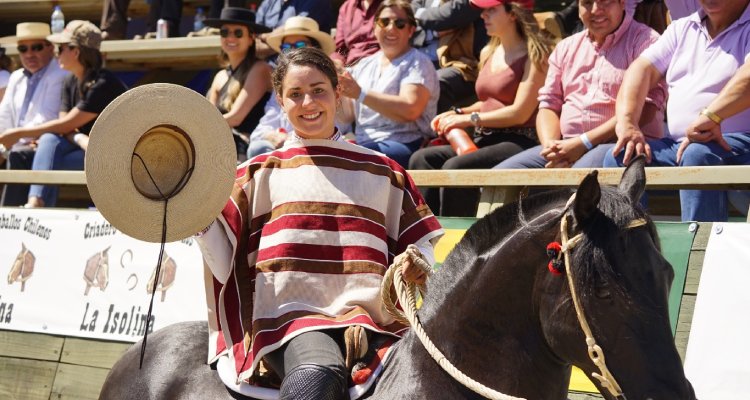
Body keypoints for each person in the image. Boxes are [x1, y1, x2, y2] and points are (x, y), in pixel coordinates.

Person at [195, 47, 443, 399]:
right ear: (280, 101)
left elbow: (418, 247)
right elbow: (226, 264)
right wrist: (199, 221)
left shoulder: (385, 170)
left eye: (318, 90)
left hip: (376, 323)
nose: (308, 102)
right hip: (290, 323)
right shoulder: (255, 172)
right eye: (295, 94)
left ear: (338, 92)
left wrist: (416, 262)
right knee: (318, 374)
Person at [604, 0, 750, 222]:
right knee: (622, 156)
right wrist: (627, 123)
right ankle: (628, 247)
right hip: (681, 145)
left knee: (698, 153)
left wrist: (711, 116)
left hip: (739, 143)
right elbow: (641, 70)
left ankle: (699, 251)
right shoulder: (681, 28)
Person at [408, 0, 551, 217]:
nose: (483, 15)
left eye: (491, 10)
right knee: (421, 159)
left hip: (520, 140)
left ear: (513, 14)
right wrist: (458, 113)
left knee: (456, 168)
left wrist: (468, 120)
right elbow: (487, 102)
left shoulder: (535, 55)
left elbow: (519, 112)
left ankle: (458, 239)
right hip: (486, 137)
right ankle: (426, 233)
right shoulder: (488, 52)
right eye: (483, 10)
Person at [495, 0, 666, 170]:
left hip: (618, 145)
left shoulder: (647, 42)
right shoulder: (565, 48)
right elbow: (548, 105)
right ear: (577, 8)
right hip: (567, 146)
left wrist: (582, 143)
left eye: (605, 2)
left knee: (581, 176)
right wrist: (552, 148)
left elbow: (646, 108)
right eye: (587, 3)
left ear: (622, 3)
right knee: (499, 177)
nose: (596, 10)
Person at [0, 21, 128, 208]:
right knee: (46, 143)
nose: (56, 53)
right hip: (89, 151)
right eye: (23, 48)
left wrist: (19, 133)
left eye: (60, 48)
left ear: (76, 51)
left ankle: (36, 208)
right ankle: (33, 206)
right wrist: (82, 139)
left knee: (45, 150)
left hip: (117, 158)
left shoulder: (103, 82)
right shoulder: (70, 80)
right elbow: (64, 125)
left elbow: (66, 125)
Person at [337, 0, 439, 168]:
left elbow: (410, 109)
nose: (391, 28)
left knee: (355, 159)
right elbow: (346, 116)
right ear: (374, 27)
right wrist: (335, 93)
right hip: (365, 144)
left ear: (411, 30)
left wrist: (360, 93)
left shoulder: (418, 62)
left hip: (407, 143)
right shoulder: (364, 65)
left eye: (399, 23)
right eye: (384, 22)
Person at [246, 15, 336, 157]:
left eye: (300, 45)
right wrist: (276, 137)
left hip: (331, 150)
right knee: (258, 147)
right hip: (288, 151)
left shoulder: (336, 79)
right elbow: (259, 132)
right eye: (286, 47)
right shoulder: (283, 87)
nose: (293, 51)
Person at [0, 22, 69, 207]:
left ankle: (14, 218)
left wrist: (12, 140)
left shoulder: (60, 74)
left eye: (36, 47)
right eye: (23, 48)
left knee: (19, 155)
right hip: (18, 147)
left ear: (50, 48)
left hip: (38, 146)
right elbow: (3, 117)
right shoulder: (16, 77)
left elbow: (48, 117)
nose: (29, 54)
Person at [205, 7, 273, 161]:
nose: (230, 37)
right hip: (221, 144)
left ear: (251, 38)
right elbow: (209, 114)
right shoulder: (220, 75)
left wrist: (201, 126)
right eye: (224, 32)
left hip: (247, 147)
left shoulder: (260, 69)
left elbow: (236, 118)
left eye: (238, 33)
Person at [411, 0, 489, 112]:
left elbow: (451, 15)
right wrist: (432, 33)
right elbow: (407, 15)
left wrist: (419, 15)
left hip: (460, 62)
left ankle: (427, 128)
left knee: (433, 82)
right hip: (417, 54)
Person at [254, 0, 334, 59]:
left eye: (301, 45)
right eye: (285, 46)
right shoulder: (267, 3)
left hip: (307, 65)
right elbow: (254, 39)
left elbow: (297, 29)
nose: (291, 49)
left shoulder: (315, 2)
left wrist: (264, 36)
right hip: (267, 68)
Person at [331, 0, 383, 67]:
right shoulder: (347, 7)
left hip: (379, 63)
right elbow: (339, 48)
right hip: (351, 66)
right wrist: (337, 62)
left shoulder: (390, 6)